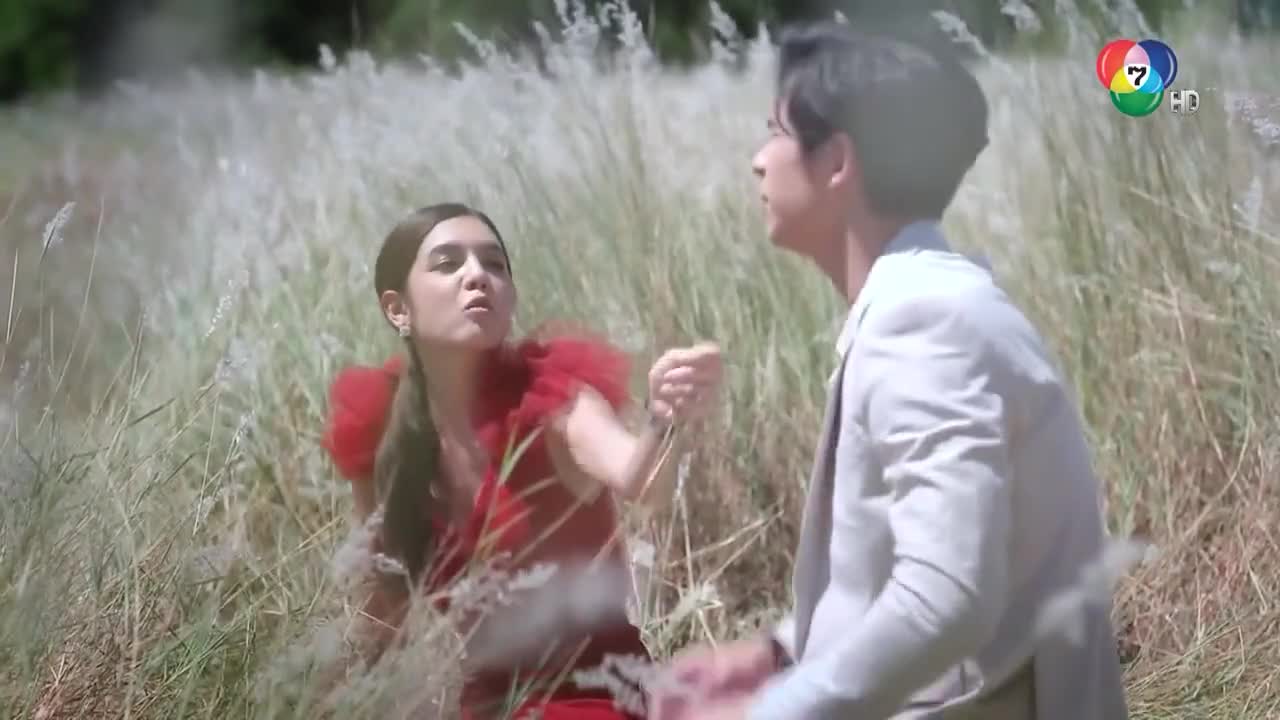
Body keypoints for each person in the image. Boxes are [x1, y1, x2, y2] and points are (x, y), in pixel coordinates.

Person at [649, 20, 1129, 720]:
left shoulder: (925, 322)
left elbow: (947, 596)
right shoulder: (926, 302)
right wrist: (776, 654)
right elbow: (905, 560)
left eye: (776, 131)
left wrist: (770, 711)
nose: (757, 160)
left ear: (838, 162)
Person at [320, 202, 723, 720]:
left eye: (494, 264)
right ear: (398, 309)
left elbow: (642, 481)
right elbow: (384, 610)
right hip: (488, 705)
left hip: (598, 696)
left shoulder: (551, 397)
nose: (477, 276)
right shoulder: (384, 429)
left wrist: (662, 418)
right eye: (448, 264)